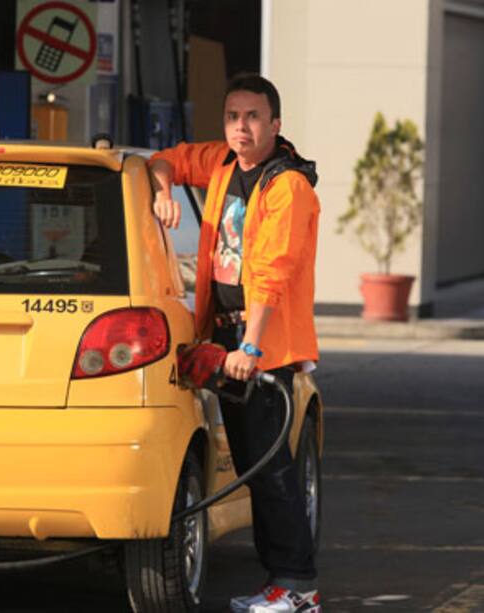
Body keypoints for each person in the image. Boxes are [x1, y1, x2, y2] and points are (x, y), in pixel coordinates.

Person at [149, 74, 321, 613]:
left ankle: (298, 587)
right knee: (253, 464)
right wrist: (164, 195)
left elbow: (272, 272)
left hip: (262, 346)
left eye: (252, 117)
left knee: (272, 469)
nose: (240, 126)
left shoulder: (286, 186)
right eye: (232, 116)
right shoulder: (224, 163)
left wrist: (249, 349)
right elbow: (165, 160)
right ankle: (281, 584)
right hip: (227, 336)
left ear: (275, 124)